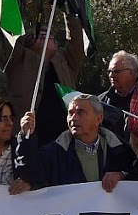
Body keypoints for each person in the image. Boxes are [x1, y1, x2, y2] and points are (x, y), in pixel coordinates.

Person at [6, 13, 87, 143]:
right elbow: (7, 40)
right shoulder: (18, 61)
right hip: (28, 139)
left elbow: (76, 39)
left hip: (64, 141)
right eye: (37, 35)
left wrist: (69, 7)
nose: (45, 35)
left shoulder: (66, 62)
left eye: (49, 35)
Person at [100, 50, 138, 150]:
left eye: (116, 71)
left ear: (131, 72)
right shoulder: (101, 101)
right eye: (110, 71)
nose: (111, 75)